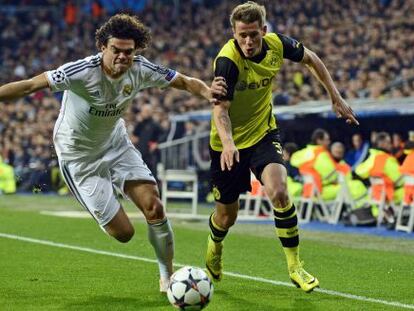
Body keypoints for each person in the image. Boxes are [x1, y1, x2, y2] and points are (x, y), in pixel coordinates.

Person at [0, 14, 225, 293]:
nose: (122, 57)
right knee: (124, 234)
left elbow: (184, 81)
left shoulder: (141, 69)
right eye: (115, 50)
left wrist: (209, 94)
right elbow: (30, 86)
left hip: (116, 145)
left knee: (154, 207)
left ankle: (167, 278)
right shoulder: (80, 71)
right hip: (78, 156)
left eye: (128, 52)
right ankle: (100, 199)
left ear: (136, 50)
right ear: (102, 47)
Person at [206, 2, 358, 293]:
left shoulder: (277, 45)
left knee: (279, 192)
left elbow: (312, 59)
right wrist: (227, 144)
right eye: (242, 36)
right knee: (227, 216)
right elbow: (220, 110)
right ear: (233, 34)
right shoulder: (227, 61)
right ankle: (214, 245)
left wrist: (335, 97)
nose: (248, 42)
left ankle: (295, 267)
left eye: (253, 34)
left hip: (264, 132)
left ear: (264, 31)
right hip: (227, 144)